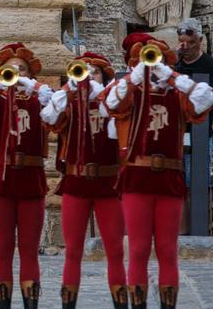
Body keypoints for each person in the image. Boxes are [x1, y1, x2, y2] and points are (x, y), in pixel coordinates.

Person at [106, 33, 213, 309]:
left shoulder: (177, 93)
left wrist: (173, 77)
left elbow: (205, 99)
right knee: (139, 249)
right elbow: (111, 103)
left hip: (169, 179)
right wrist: (136, 75)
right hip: (137, 178)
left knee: (168, 250)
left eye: (157, 61)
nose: (153, 66)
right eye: (149, 60)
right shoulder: (132, 91)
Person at [41, 52, 127, 309]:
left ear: (104, 76)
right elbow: (48, 119)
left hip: (108, 183)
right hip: (77, 183)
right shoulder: (69, 102)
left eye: (95, 72)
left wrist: (101, 94)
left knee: (115, 250)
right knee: (73, 251)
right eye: (83, 71)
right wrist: (68, 89)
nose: (89, 76)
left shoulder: (114, 101)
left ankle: (120, 303)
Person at [0, 43, 53, 309]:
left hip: (31, 177)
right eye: (12, 70)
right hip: (1, 176)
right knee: (4, 248)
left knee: (30, 249)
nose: (17, 74)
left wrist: (31, 86)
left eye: (22, 69)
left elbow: (55, 108)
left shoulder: (40, 98)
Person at [172, 18, 213, 185]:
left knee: (196, 186)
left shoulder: (210, 64)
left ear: (201, 41)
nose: (186, 47)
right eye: (182, 42)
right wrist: (171, 61)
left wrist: (195, 92)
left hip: (199, 132)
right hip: (174, 134)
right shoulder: (175, 63)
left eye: (191, 42)